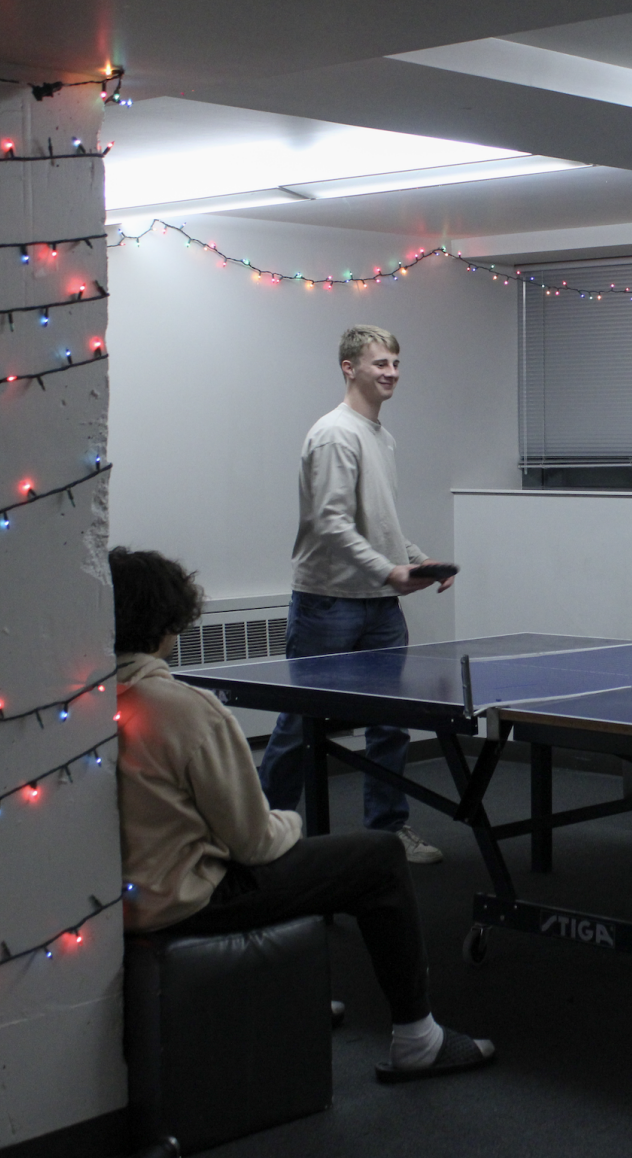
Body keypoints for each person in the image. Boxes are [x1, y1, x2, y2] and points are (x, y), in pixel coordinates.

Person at [111, 546, 494, 1081]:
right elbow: (256, 843)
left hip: (114, 902)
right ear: (168, 622)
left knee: (296, 862)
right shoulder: (184, 709)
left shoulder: (80, 705)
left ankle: (292, 997)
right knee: (377, 856)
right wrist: (288, 823)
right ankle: (418, 1039)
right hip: (186, 899)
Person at [260, 325, 451, 864]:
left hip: (378, 605)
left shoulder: (380, 436)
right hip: (329, 603)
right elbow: (331, 526)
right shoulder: (334, 435)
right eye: (378, 363)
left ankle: (388, 831)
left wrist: (415, 559)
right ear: (349, 368)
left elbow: (378, 522)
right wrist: (389, 572)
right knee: (299, 724)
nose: (390, 372)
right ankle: (261, 837)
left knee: (389, 724)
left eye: (394, 362)